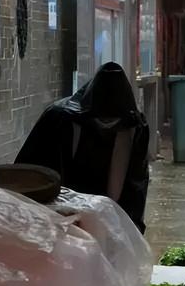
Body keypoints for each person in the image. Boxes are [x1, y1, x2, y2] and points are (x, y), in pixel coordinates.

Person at [15, 62, 150, 233]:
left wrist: (133, 230)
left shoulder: (134, 127)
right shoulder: (59, 118)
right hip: (59, 214)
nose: (107, 126)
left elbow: (136, 183)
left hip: (107, 212)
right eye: (102, 120)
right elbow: (29, 172)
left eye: (113, 121)